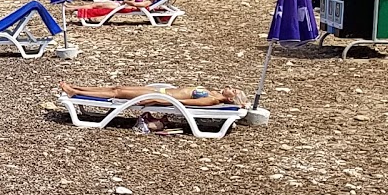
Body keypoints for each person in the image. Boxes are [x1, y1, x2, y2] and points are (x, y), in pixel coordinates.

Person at [60, 81, 248, 107]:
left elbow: (187, 104)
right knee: (117, 88)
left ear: (231, 98)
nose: (231, 86)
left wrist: (156, 101)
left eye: (234, 90)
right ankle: (78, 89)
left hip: (161, 95)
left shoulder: (212, 99)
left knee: (117, 93)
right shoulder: (214, 93)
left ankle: (75, 92)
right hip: (160, 91)